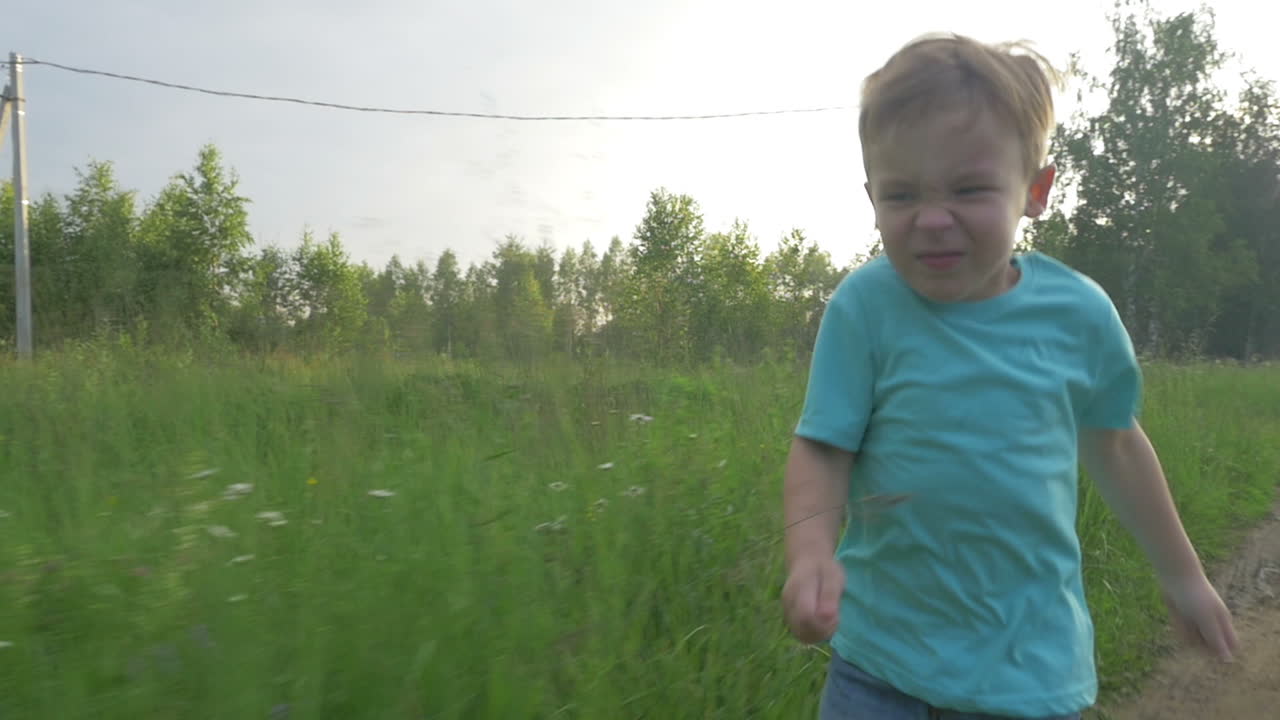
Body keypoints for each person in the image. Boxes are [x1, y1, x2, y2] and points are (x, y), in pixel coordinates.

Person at [780, 33, 1239, 720]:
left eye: (968, 189)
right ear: (871, 195)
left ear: (1036, 190)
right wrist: (810, 552)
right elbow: (824, 446)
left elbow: (1115, 444)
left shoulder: (1077, 315)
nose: (933, 220)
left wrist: (1185, 577)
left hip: (1028, 674)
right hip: (879, 663)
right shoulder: (864, 308)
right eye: (902, 194)